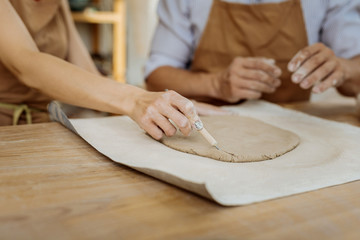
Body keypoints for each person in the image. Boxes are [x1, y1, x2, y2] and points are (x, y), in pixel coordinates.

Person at [0, 0, 208, 141]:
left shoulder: (58, 4)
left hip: (40, 131)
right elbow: (25, 64)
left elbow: (89, 77)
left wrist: (165, 105)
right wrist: (135, 100)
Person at [145, 0, 360, 104]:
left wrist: (344, 69)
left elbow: (353, 85)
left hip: (297, 127)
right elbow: (156, 77)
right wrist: (215, 85)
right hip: (206, 126)